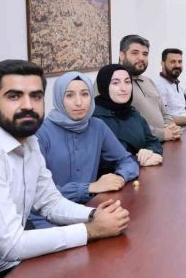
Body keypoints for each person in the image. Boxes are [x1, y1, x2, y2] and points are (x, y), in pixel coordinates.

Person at [0, 60, 129, 276]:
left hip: (16, 263)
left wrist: (95, 214)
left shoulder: (29, 141)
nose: (28, 105)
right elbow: (12, 244)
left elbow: (50, 202)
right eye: (14, 96)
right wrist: (91, 230)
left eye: (36, 96)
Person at [30, 72, 139, 229]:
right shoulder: (41, 132)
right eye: (69, 95)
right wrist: (89, 188)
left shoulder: (97, 126)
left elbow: (127, 161)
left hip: (90, 211)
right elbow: (37, 195)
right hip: (47, 220)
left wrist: (120, 177)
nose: (79, 102)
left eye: (85, 94)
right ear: (59, 98)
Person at [93, 64, 164, 167]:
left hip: (143, 172)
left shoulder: (133, 113)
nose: (124, 88)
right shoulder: (95, 118)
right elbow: (101, 160)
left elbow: (153, 142)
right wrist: (138, 160)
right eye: (115, 83)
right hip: (116, 175)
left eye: (127, 82)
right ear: (104, 85)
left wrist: (149, 151)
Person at [119, 34, 181, 142]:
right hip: (141, 149)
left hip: (167, 142)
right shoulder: (112, 84)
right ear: (122, 55)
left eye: (145, 54)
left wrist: (173, 129)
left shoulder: (149, 81)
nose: (141, 58)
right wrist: (161, 134)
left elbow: (165, 113)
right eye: (135, 53)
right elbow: (122, 124)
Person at [153, 48, 186, 128]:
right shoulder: (159, 85)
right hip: (176, 132)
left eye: (180, 62)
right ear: (163, 64)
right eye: (173, 62)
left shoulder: (178, 83)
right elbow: (163, 118)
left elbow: (181, 110)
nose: (177, 65)